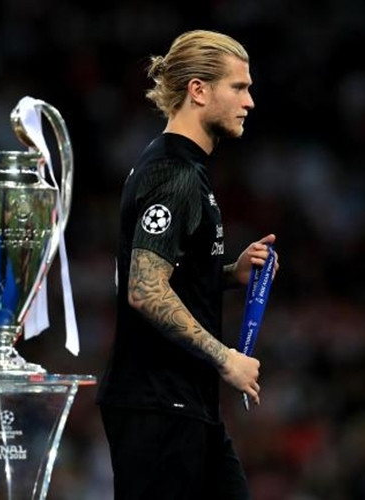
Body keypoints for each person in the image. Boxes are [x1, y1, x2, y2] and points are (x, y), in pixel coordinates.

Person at [96, 29, 279, 500]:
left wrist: (228, 275)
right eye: (238, 87)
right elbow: (145, 289)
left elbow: (168, 274)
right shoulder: (173, 174)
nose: (249, 102)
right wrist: (225, 358)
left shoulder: (179, 167)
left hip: (184, 403)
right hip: (158, 406)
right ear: (198, 90)